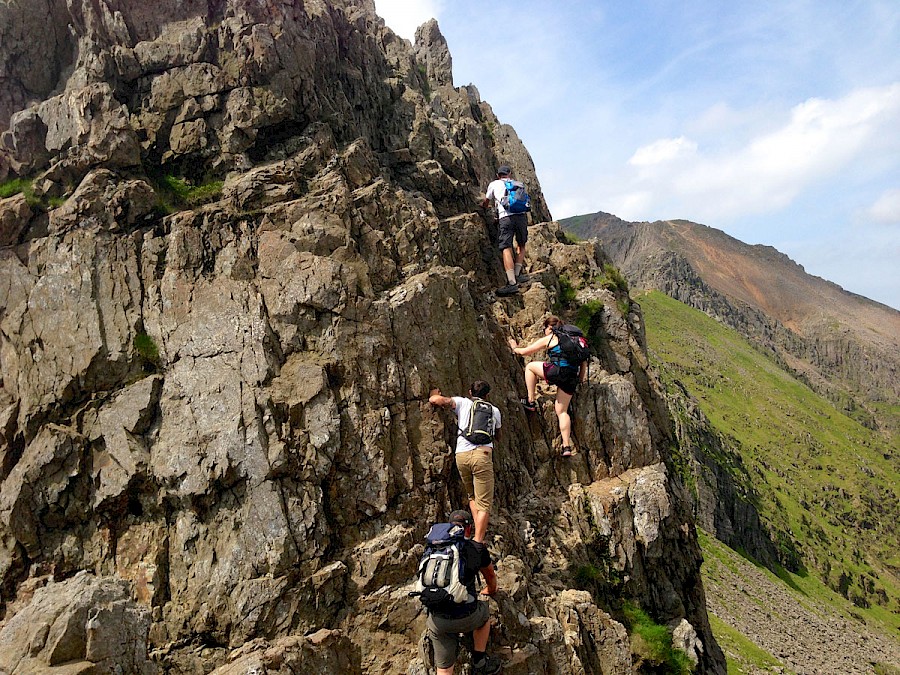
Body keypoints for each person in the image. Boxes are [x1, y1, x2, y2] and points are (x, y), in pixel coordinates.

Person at [425, 509, 500, 675]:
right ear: (469, 528)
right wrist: (491, 590)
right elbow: (491, 579)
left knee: (444, 668)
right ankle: (479, 660)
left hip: (439, 620)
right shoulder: (476, 548)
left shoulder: (433, 547)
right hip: (468, 616)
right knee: (484, 615)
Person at [428, 381, 501, 543]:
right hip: (482, 456)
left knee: (472, 496)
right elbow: (497, 436)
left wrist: (434, 394)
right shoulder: (494, 411)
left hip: (461, 455)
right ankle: (478, 541)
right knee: (485, 504)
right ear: (487, 395)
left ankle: (472, 534)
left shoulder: (462, 402)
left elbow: (436, 401)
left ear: (470, 392)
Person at [507, 315, 587, 456]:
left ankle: (530, 401)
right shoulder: (574, 340)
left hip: (556, 371)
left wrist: (514, 346)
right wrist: (579, 380)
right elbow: (583, 363)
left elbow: (524, 352)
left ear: (549, 327)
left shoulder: (551, 338)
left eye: (545, 328)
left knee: (531, 367)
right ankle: (566, 446)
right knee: (562, 411)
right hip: (571, 377)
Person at [482, 164, 528, 296]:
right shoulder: (518, 184)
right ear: (510, 174)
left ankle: (512, 283)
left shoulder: (494, 184)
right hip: (521, 217)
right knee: (521, 244)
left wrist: (483, 207)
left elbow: (486, 201)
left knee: (506, 248)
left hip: (506, 218)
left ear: (498, 175)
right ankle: (518, 274)